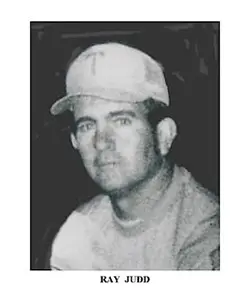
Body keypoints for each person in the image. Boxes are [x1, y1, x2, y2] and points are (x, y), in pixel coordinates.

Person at [49, 42, 219, 270]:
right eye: (87, 125)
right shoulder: (79, 232)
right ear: (74, 142)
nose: (100, 141)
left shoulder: (207, 235)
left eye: (121, 121)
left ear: (163, 135)